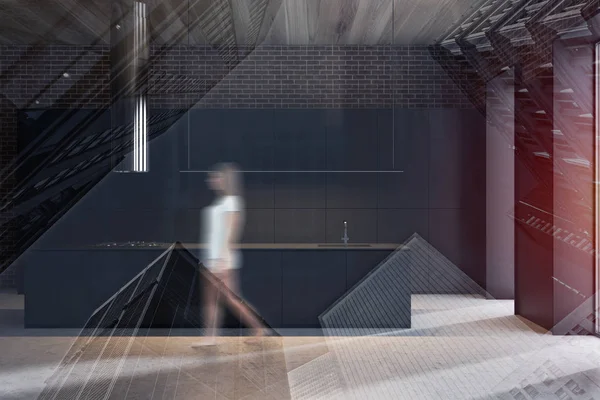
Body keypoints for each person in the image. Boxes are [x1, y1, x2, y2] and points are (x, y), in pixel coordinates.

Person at [193, 163, 263, 347]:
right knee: (212, 300)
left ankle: (258, 328)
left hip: (223, 259)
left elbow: (232, 232)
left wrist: (222, 259)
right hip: (212, 258)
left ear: (226, 180)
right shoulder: (220, 203)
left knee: (229, 299)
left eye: (216, 177)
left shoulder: (232, 202)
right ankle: (211, 337)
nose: (212, 180)